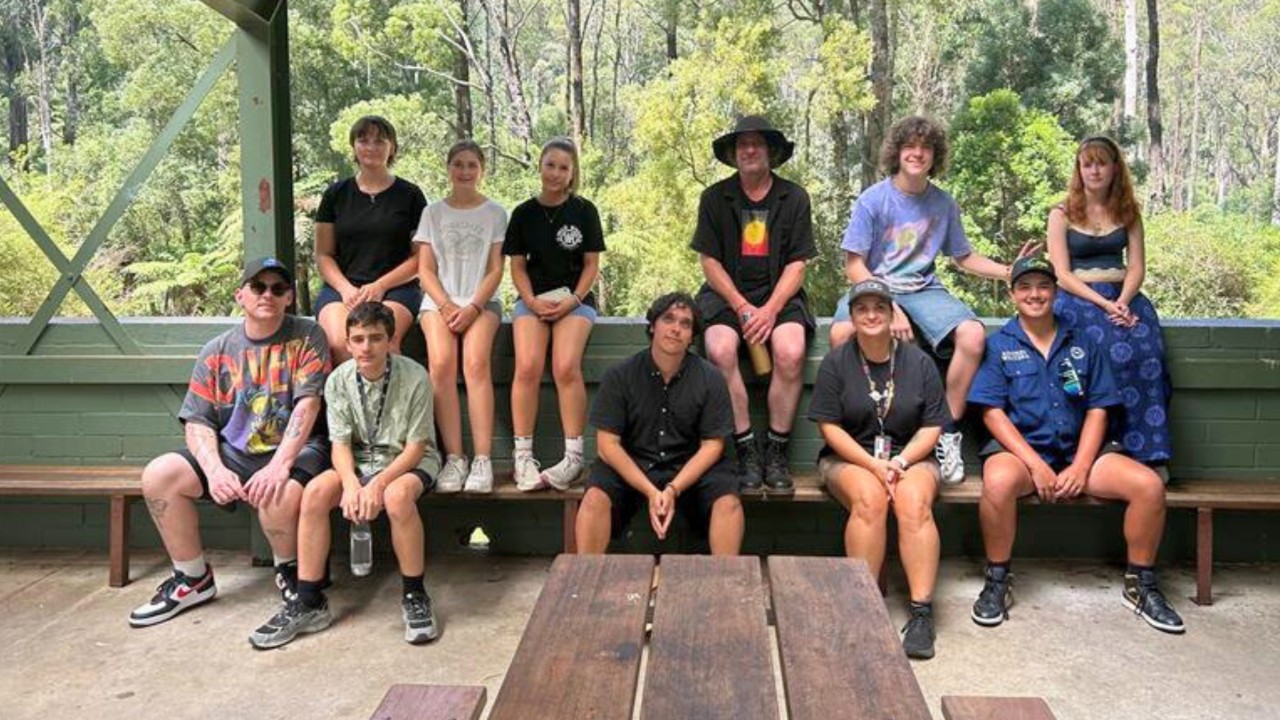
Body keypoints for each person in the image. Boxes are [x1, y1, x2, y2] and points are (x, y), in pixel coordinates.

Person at [966, 256, 1184, 634]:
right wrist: (1034, 465)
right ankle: (997, 580)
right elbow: (992, 413)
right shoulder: (999, 344)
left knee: (1148, 487)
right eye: (1025, 287)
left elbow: (1100, 407)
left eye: (1043, 286)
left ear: (1055, 290)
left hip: (1081, 451)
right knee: (998, 481)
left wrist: (1081, 466)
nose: (1035, 294)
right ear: (1013, 293)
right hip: (1023, 453)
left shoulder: (1082, 341)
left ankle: (1141, 584)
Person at [830, 116, 1035, 485]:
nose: (917, 153)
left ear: (934, 155)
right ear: (898, 152)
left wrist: (1010, 271)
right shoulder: (873, 200)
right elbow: (854, 265)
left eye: (926, 148)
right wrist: (888, 305)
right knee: (840, 334)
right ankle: (855, 436)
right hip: (874, 286)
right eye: (910, 146)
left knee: (973, 335)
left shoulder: (943, 203)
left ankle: (946, 432)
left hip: (924, 289)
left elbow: (964, 258)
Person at [129, 257, 331, 628]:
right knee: (160, 476)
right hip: (234, 452)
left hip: (296, 449)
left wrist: (279, 464)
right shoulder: (217, 349)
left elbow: (309, 403)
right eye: (258, 287)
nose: (267, 294)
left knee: (279, 491)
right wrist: (215, 470)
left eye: (278, 288)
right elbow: (197, 420)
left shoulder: (307, 335)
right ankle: (193, 578)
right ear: (240, 295)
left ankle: (289, 569)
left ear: (289, 298)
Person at [248, 302, 442, 648]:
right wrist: (352, 485)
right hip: (358, 459)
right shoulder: (338, 380)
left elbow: (415, 447)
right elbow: (339, 445)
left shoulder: (415, 376)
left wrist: (378, 484)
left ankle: (415, 595)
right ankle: (309, 601)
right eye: (358, 339)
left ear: (389, 340)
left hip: (406, 460)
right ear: (348, 343)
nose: (366, 347)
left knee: (397, 498)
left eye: (375, 338)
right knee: (316, 492)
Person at [808, 279, 950, 659]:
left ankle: (921, 613)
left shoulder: (918, 362)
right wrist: (873, 464)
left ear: (892, 314)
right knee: (870, 499)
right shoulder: (837, 362)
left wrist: (900, 462)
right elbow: (829, 427)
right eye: (862, 309)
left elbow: (933, 425)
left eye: (879, 308)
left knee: (914, 501)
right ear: (852, 317)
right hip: (850, 457)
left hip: (911, 456)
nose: (871, 315)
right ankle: (864, 608)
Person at [692, 115, 816, 496]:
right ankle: (745, 450)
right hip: (727, 295)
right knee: (719, 348)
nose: (749, 150)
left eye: (757, 144)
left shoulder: (793, 197)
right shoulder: (715, 198)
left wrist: (769, 310)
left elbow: (798, 264)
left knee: (791, 351)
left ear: (771, 152)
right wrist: (743, 306)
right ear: (733, 154)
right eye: (742, 144)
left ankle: (776, 453)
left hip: (780, 295)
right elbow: (709, 261)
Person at [575, 292, 744, 554]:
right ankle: (584, 580)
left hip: (688, 468)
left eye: (686, 324)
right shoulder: (620, 375)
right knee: (595, 496)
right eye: (669, 319)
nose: (676, 329)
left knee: (728, 500)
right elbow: (607, 446)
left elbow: (713, 445)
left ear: (692, 336)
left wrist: (674, 488)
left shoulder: (710, 378)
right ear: (653, 325)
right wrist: (651, 491)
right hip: (635, 465)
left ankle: (726, 582)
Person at [1047, 135, 1170, 472]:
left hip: (1125, 298)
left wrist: (1124, 301)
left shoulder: (1129, 212)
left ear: (1115, 168)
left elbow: (1137, 266)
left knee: (1147, 356)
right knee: (1085, 363)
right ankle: (1088, 453)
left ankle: (1148, 454)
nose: (1095, 171)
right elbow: (1060, 273)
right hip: (1078, 299)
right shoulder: (1061, 214)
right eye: (1088, 164)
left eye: (1102, 163)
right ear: (1079, 169)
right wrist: (1102, 304)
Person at [504, 137, 606, 492]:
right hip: (533, 300)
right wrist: (530, 301)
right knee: (528, 365)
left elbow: (592, 264)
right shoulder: (522, 213)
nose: (556, 173)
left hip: (575, 301)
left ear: (572, 172)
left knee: (565, 366)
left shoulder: (584, 211)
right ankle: (523, 457)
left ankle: (574, 457)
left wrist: (574, 299)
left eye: (564, 167)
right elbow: (516, 266)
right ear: (540, 166)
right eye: (551, 165)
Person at [415, 139, 507, 494]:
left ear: (482, 170)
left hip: (481, 302)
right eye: (458, 164)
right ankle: (455, 457)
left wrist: (471, 307)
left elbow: (496, 269)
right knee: (440, 365)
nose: (465, 171)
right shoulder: (433, 213)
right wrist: (446, 305)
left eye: (472, 165)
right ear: (448, 168)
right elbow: (425, 270)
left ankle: (482, 459)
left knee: (475, 364)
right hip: (439, 301)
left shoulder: (496, 213)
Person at [314, 115, 428, 363]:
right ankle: (348, 403)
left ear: (392, 147)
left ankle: (391, 403)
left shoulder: (410, 195)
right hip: (342, 288)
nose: (371, 147)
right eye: (363, 140)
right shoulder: (336, 194)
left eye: (380, 141)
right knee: (340, 343)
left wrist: (380, 286)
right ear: (353, 146)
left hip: (396, 288)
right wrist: (346, 290)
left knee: (384, 341)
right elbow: (323, 254)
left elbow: (421, 257)